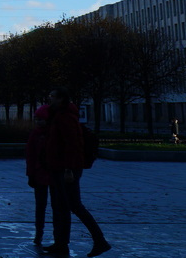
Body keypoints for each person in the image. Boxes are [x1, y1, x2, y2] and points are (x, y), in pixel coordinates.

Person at [43, 87, 111, 257]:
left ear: (61, 99)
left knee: (74, 205)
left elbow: (72, 145)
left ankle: (99, 240)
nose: (49, 98)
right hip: (60, 167)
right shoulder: (60, 115)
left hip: (66, 169)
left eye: (52, 96)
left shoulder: (64, 117)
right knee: (61, 207)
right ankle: (61, 243)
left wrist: (68, 169)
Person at [25, 104, 52, 246]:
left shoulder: (40, 134)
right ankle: (39, 232)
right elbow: (30, 155)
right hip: (42, 173)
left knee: (41, 205)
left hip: (44, 173)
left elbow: (30, 156)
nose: (38, 122)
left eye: (41, 119)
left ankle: (40, 233)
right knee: (41, 205)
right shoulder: (38, 134)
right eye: (37, 119)